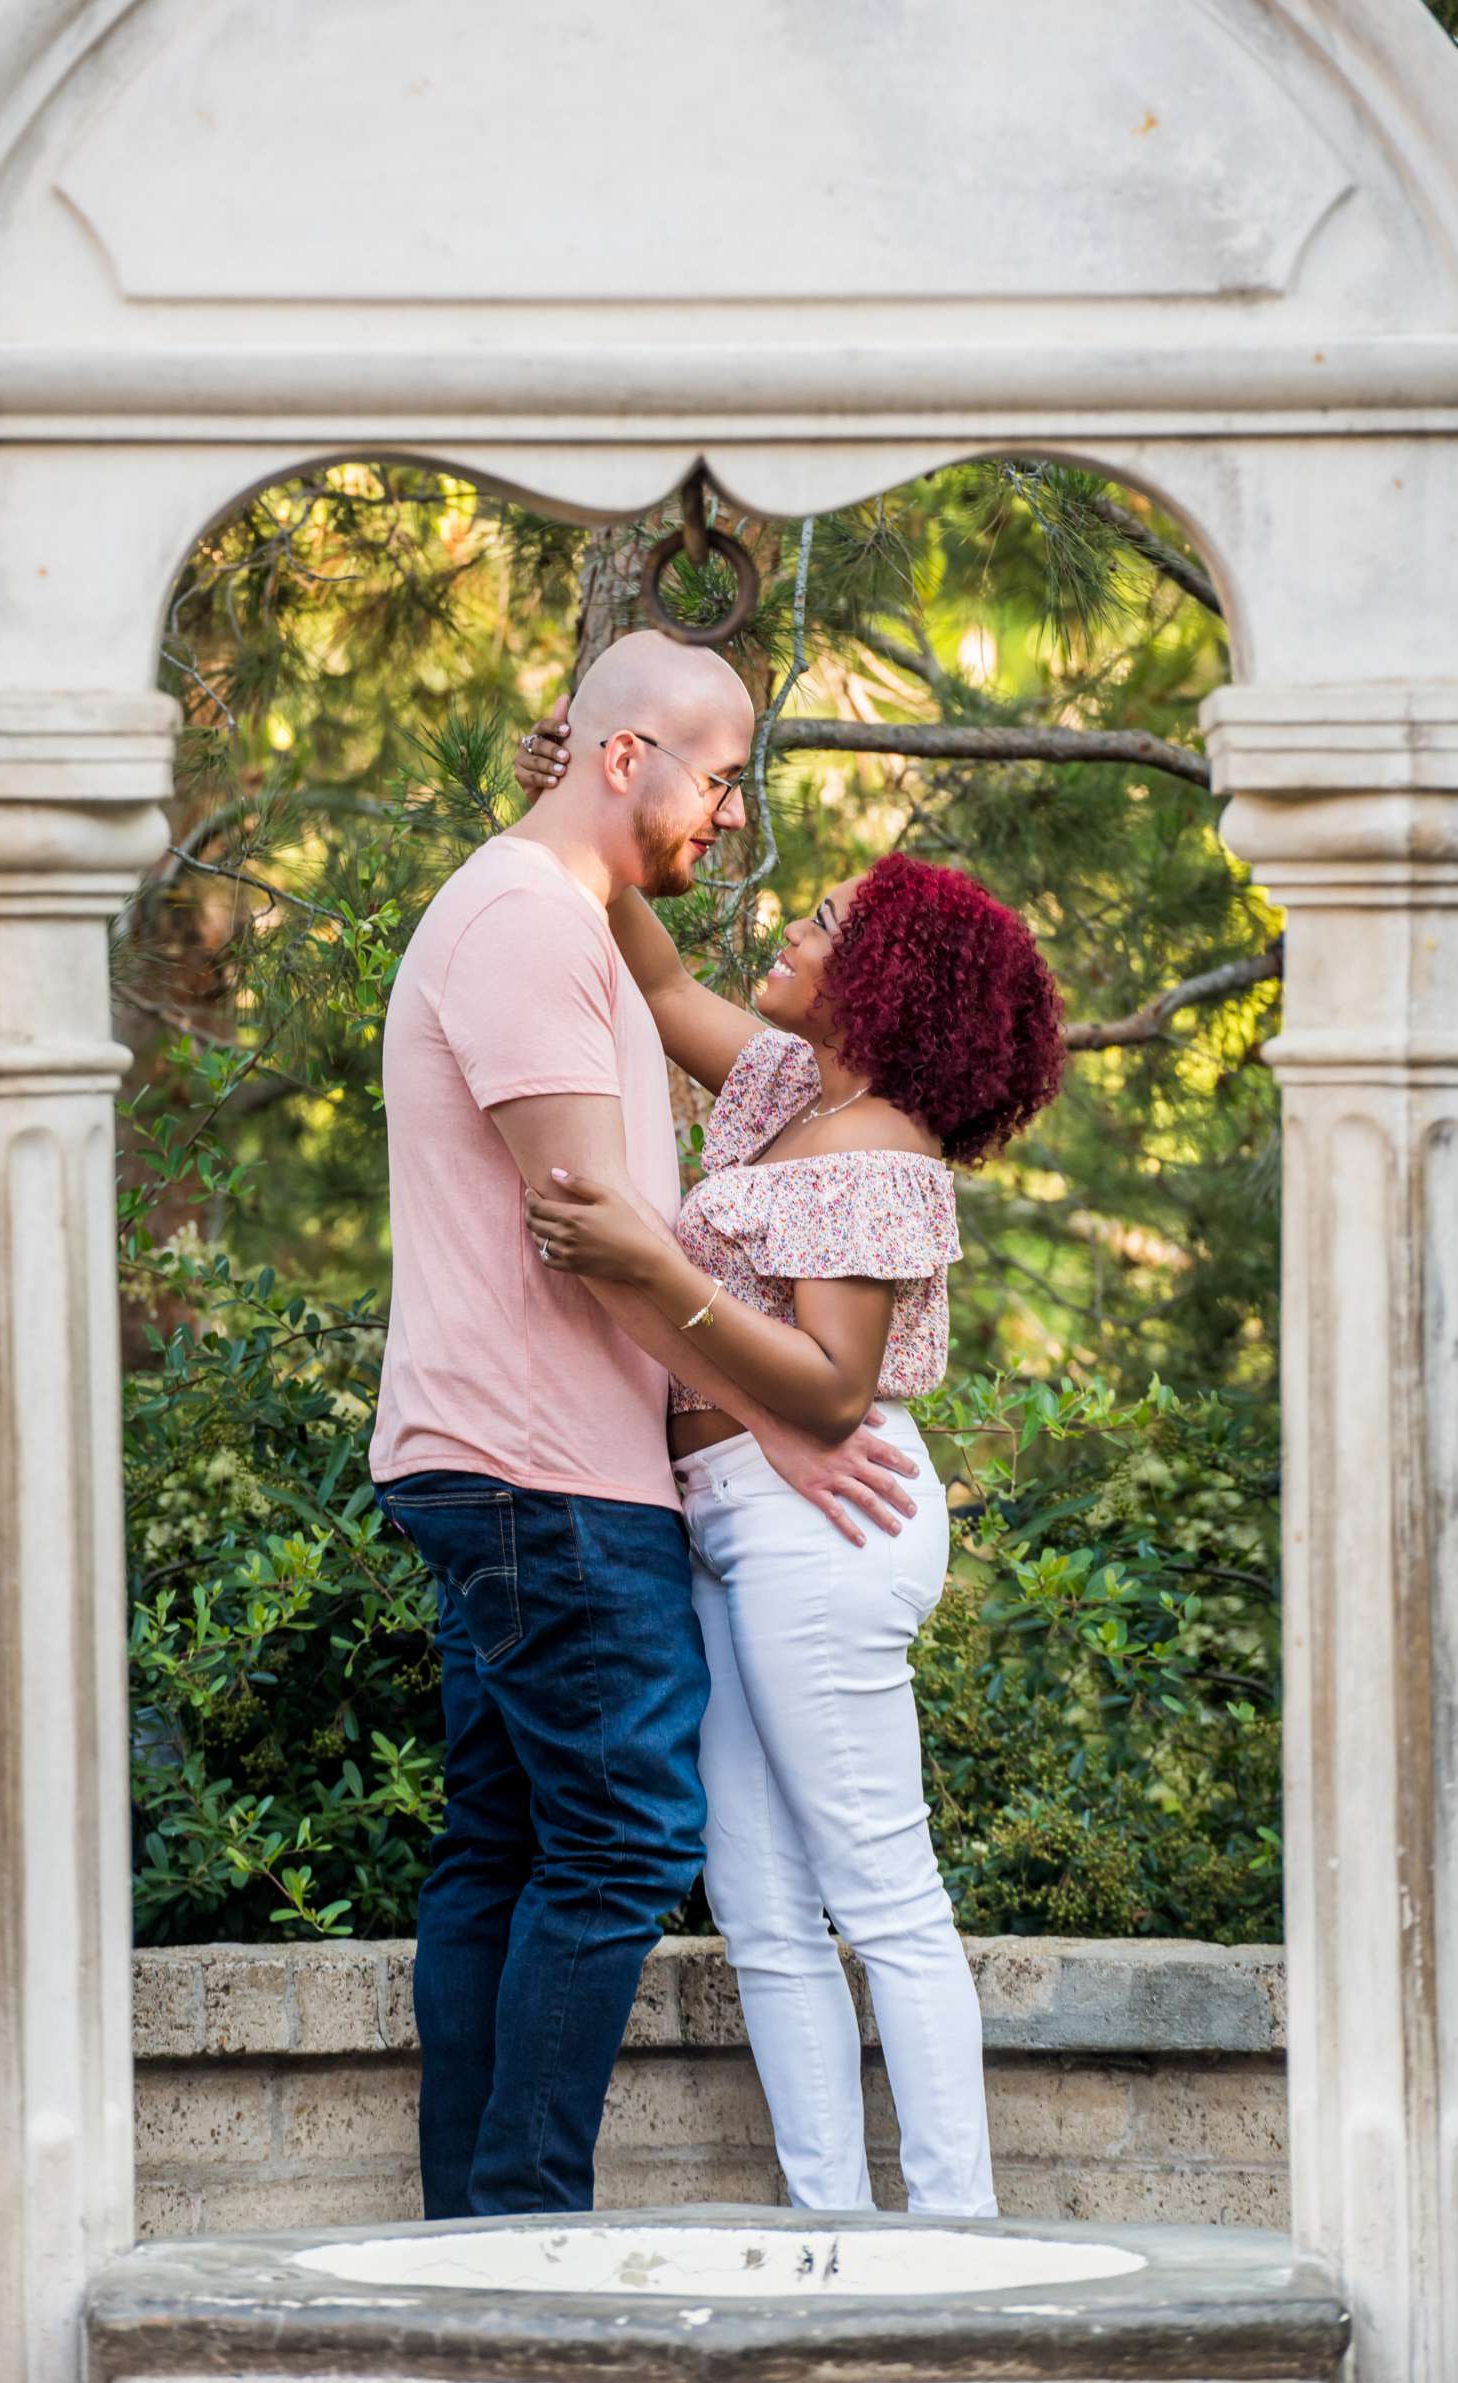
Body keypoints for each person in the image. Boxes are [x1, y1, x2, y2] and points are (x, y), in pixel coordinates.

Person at [370, 631, 924, 2220]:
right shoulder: (527, 927)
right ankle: (523, 2229)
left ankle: (475, 2245)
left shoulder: (558, 917)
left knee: (506, 1846)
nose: (737, 821)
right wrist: (788, 1414)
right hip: (544, 1467)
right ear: (628, 759)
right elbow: (591, 1230)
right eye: (724, 779)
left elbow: (628, 1124)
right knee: (623, 1840)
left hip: (520, 1458)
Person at [513, 703, 1066, 2216]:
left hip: (820, 1516)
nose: (796, 927)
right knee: (760, 1900)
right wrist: (577, 799)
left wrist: (644, 1259)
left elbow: (829, 1391)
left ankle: (951, 2236)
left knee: (882, 1891)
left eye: (825, 925)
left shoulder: (877, 1154)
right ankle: (834, 2225)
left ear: (880, 986)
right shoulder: (784, 1098)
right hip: (737, 1515)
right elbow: (661, 971)